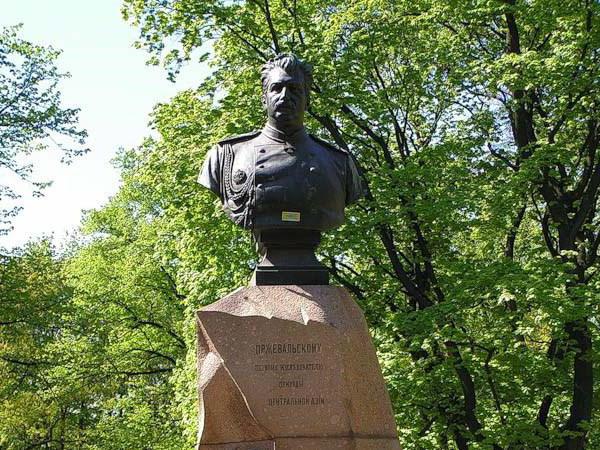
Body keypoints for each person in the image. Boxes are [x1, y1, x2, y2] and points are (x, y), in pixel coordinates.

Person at [198, 53, 363, 233]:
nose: (285, 96)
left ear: (307, 100)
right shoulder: (226, 155)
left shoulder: (338, 161)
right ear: (264, 98)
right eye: (277, 88)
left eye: (294, 89)